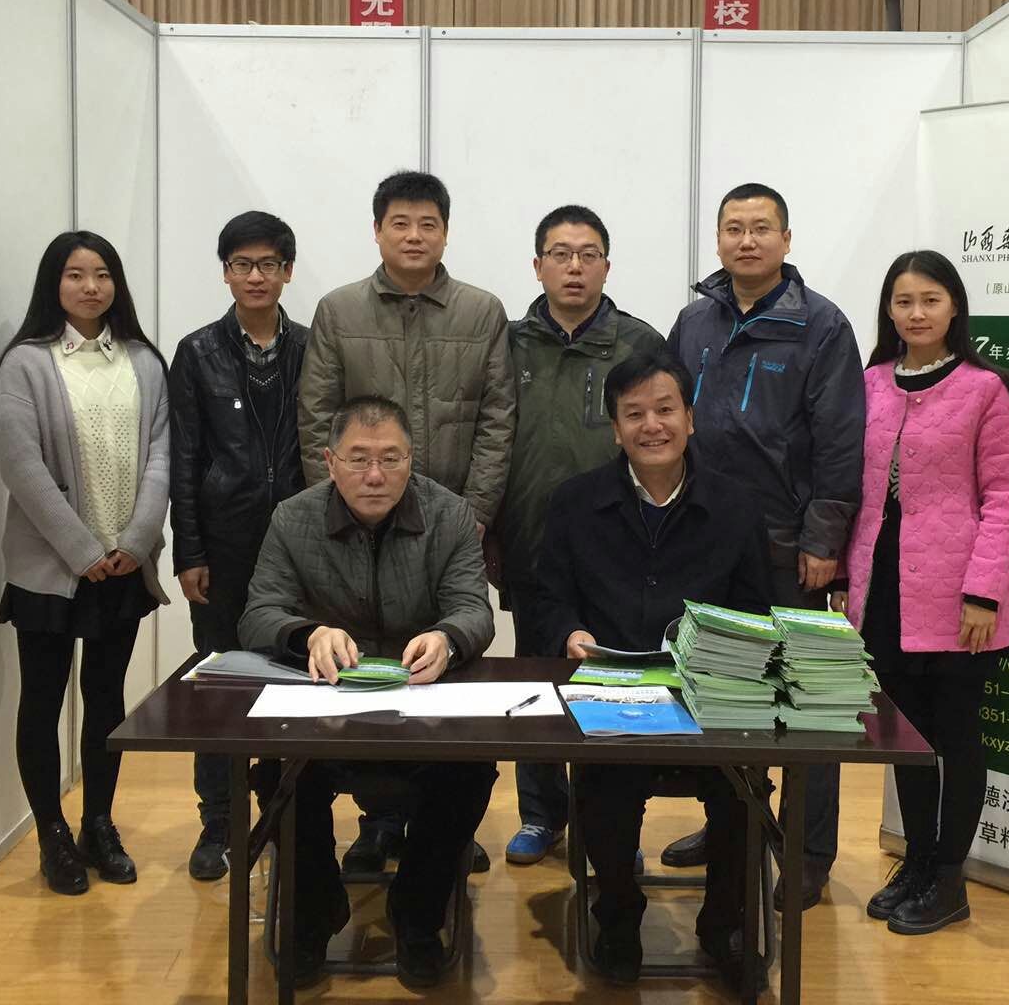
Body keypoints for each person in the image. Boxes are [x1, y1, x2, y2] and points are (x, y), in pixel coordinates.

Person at [297, 169, 515, 872]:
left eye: (428, 223)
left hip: (449, 532)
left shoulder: (482, 312)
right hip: (356, 530)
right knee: (368, 665)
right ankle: (380, 823)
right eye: (400, 223)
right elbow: (317, 419)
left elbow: (497, 420)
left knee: (439, 664)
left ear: (445, 232)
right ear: (377, 231)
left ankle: (442, 825)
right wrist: (336, 517)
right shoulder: (338, 311)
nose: (414, 235)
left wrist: (474, 514)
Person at [239, 396, 497, 989]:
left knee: (470, 772)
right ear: (330, 462)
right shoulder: (293, 519)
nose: (375, 475)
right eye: (358, 459)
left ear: (412, 459)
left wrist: (447, 637)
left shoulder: (450, 514)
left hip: (424, 709)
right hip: (326, 711)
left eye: (391, 458)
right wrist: (308, 633)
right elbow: (258, 613)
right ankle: (313, 912)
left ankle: (417, 915)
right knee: (281, 775)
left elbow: (473, 609)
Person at [535, 351, 770, 986]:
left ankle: (724, 923)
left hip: (708, 694)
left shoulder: (737, 505)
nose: (652, 426)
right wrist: (569, 633)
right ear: (615, 429)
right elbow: (548, 597)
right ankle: (617, 914)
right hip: (611, 694)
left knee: (745, 791)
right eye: (634, 414)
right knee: (603, 789)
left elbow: (757, 607)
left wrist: (723, 651)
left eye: (665, 410)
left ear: (690, 418)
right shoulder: (574, 503)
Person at [664, 182, 864, 908]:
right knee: (718, 688)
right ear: (718, 239)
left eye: (761, 228)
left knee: (808, 702)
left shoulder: (822, 326)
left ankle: (808, 853)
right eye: (733, 228)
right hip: (708, 540)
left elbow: (841, 441)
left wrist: (824, 537)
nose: (746, 241)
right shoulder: (694, 320)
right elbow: (665, 417)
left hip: (791, 543)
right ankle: (735, 826)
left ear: (786, 239)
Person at [836, 250, 1009, 935]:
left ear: (954, 308)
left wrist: (984, 593)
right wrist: (846, 584)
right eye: (903, 301)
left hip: (959, 596)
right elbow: (856, 492)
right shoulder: (870, 383)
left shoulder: (985, 389)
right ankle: (915, 863)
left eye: (930, 300)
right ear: (888, 309)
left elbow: (1003, 500)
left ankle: (949, 878)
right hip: (884, 590)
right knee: (906, 737)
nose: (916, 313)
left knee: (956, 735)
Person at [0, 232, 170, 896]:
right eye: (75, 274)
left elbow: (161, 454)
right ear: (54, 283)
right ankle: (52, 835)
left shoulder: (144, 361)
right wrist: (82, 549)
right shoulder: (26, 363)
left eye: (102, 274)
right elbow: (21, 465)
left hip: (123, 566)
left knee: (106, 699)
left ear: (116, 283)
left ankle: (99, 824)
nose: (90, 287)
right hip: (50, 567)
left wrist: (137, 539)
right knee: (42, 702)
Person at [500, 204, 664, 866]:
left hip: (619, 552)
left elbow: (663, 440)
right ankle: (541, 814)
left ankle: (610, 820)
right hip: (528, 543)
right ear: (537, 265)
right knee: (537, 681)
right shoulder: (508, 344)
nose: (574, 267)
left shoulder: (640, 343)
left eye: (588, 254)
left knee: (612, 684)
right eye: (560, 254)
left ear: (607, 265)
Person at [168, 211, 309, 880]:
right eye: (243, 264)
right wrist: (188, 551)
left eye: (269, 264)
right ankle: (219, 823)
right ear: (226, 272)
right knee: (220, 682)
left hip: (299, 543)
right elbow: (184, 456)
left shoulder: (311, 347)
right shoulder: (198, 352)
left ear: (288, 271)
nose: (256, 276)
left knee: (294, 678)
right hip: (222, 543)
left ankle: (284, 814)